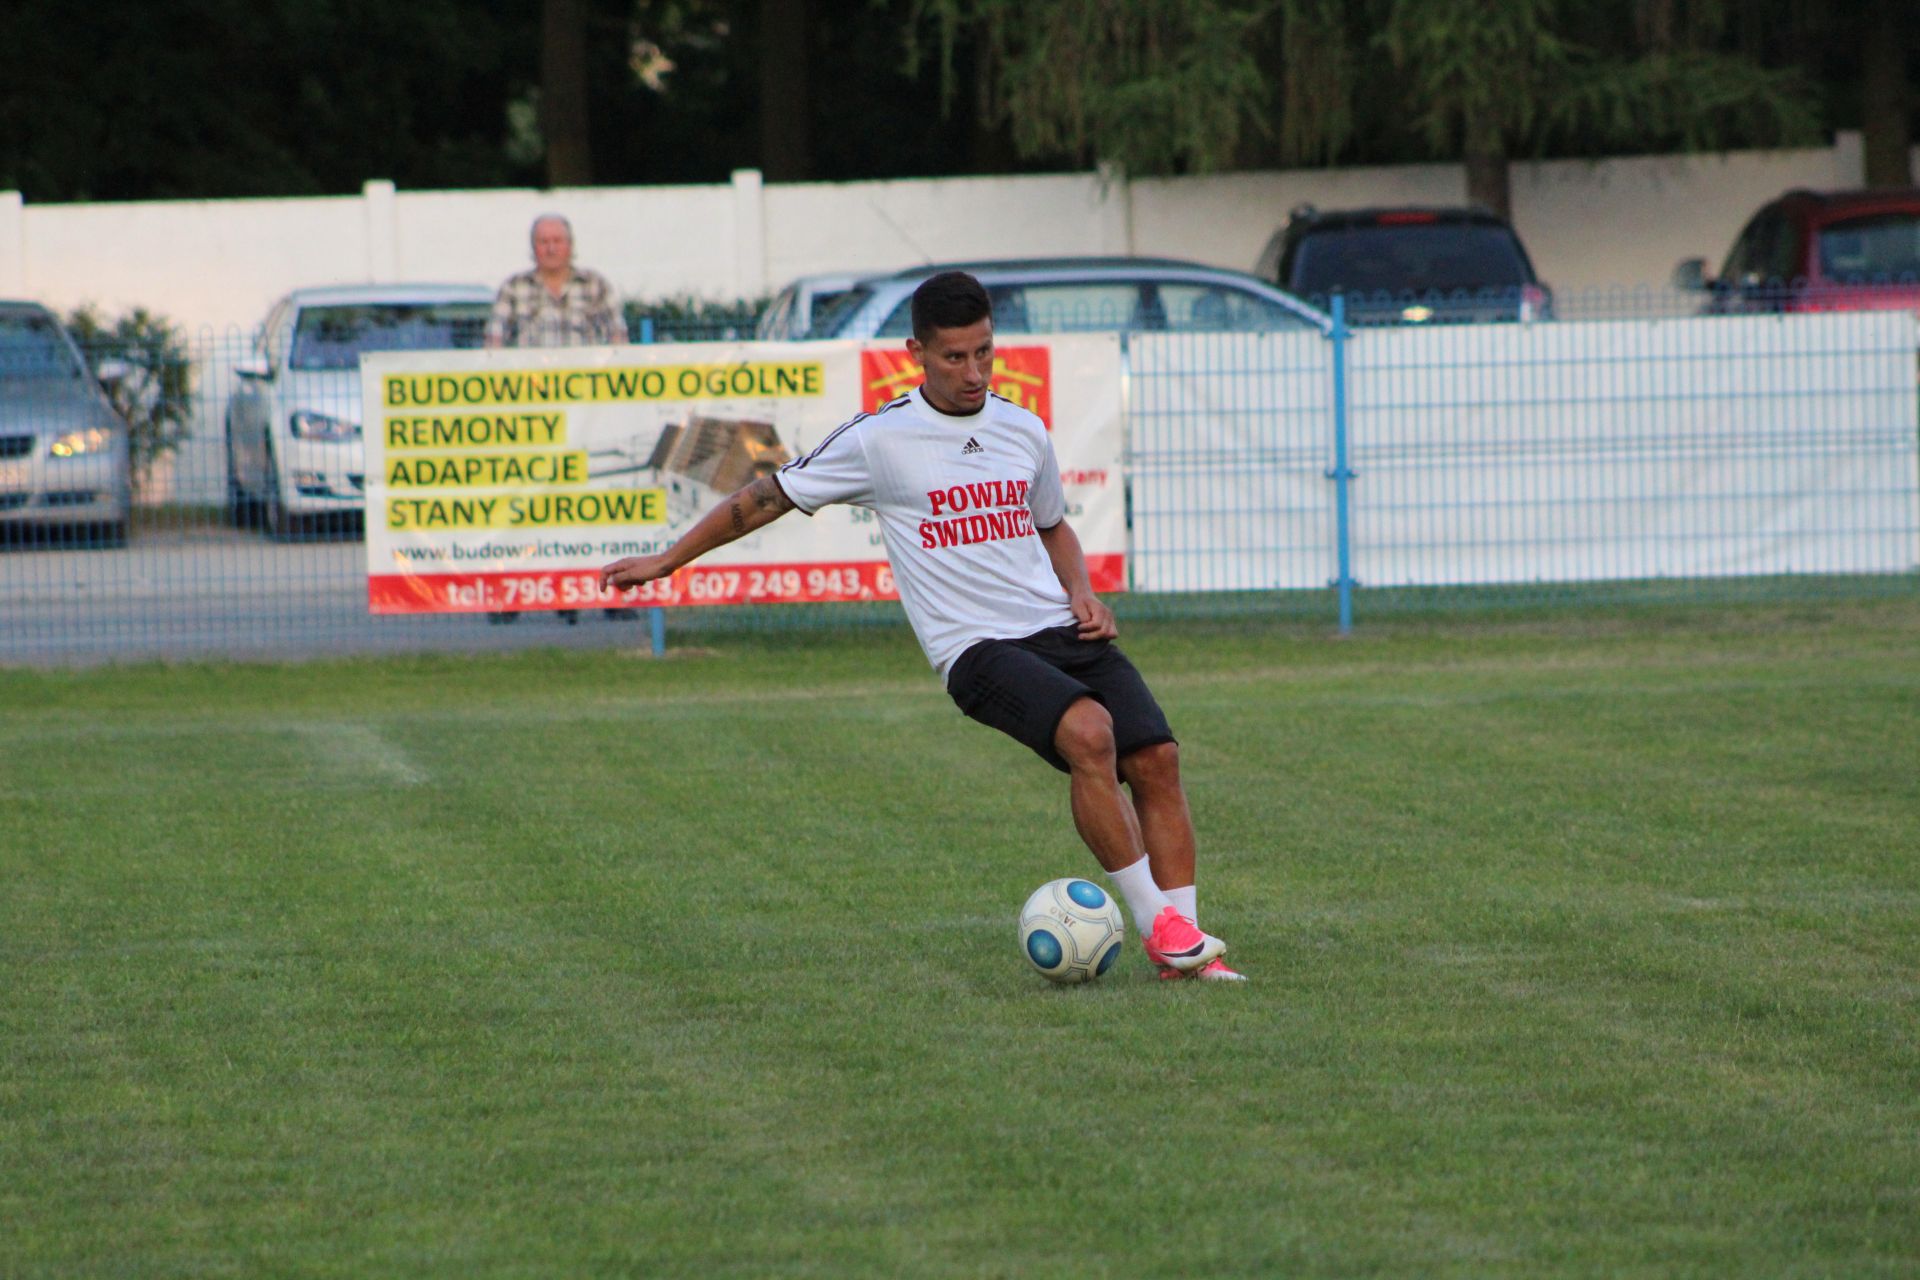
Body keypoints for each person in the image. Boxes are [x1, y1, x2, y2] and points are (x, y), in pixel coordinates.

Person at [600, 271, 1243, 981]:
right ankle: (1162, 928)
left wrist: (1083, 592)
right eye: (955, 357)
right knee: (1090, 733)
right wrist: (668, 560)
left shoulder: (1022, 429)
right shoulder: (881, 439)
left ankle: (1187, 953)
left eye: (984, 352)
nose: (974, 373)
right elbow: (765, 496)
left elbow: (1053, 525)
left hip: (1059, 627)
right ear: (917, 353)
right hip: (976, 648)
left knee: (1157, 759)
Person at [485, 213, 628, 623]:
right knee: (527, 506)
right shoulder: (514, 289)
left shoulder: (595, 286)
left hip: (588, 418)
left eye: (557, 240)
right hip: (532, 419)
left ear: (570, 245)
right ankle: (514, 595)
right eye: (543, 241)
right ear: (533, 247)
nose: (550, 247)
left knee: (596, 506)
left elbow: (620, 344)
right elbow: (493, 348)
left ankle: (611, 593)